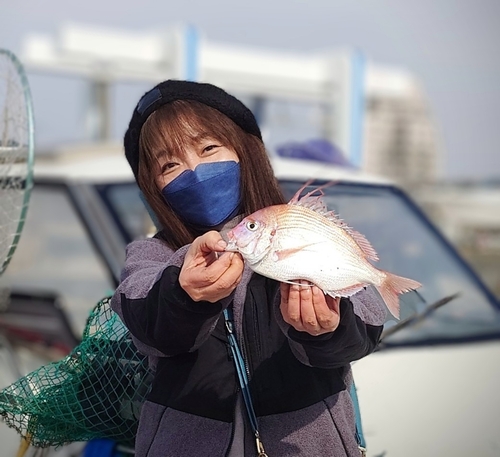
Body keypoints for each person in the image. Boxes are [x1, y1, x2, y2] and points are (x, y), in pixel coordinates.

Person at [111, 79, 387, 457]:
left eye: (209, 148)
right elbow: (147, 322)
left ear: (246, 151)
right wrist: (182, 294)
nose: (195, 171)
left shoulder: (297, 225)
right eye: (170, 165)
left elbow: (367, 325)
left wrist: (327, 330)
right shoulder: (151, 257)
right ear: (153, 186)